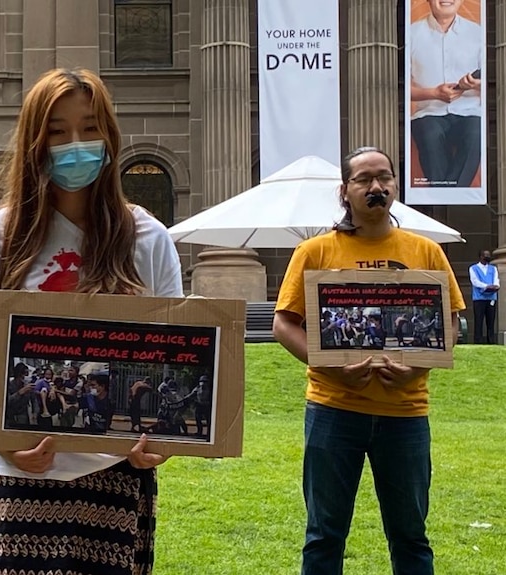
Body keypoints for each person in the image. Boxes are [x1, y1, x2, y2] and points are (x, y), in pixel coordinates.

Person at [0, 68, 183, 574]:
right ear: (36, 141)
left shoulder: (148, 237)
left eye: (90, 127)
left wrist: (161, 438)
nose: (75, 144)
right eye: (57, 131)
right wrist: (2, 439)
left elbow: (173, 354)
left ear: (110, 136)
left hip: (116, 470)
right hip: (23, 472)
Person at [272, 147, 465, 575]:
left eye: (384, 178)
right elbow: (283, 325)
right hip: (332, 410)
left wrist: (418, 366)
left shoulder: (427, 251)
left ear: (395, 186)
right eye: (363, 179)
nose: (375, 187)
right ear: (345, 191)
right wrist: (329, 364)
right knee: (323, 535)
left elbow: (450, 322)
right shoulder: (314, 252)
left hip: (406, 414)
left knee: (411, 536)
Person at [409, 0, 483, 187]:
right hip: (428, 114)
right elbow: (399, 89)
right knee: (429, 133)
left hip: (470, 113)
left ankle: (442, 196)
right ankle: (449, 197)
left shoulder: (478, 34)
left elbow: (494, 84)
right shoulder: (411, 34)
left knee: (477, 133)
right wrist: (433, 93)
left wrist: (475, 85)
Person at [469, 249, 499, 344]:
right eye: (486, 255)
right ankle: (478, 341)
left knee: (491, 321)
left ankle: (491, 341)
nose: (487, 257)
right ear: (481, 256)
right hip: (479, 298)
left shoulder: (493, 268)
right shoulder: (473, 268)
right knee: (479, 320)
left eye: (488, 255)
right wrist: (486, 286)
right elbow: (475, 281)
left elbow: (496, 279)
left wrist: (495, 286)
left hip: (491, 298)